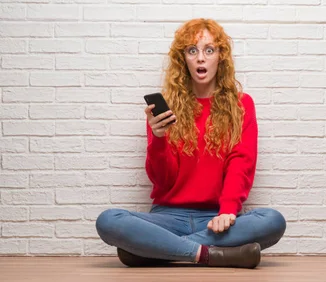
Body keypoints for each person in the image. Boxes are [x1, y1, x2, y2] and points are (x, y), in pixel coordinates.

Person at [95, 19, 286, 269]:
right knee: (109, 220)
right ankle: (210, 255)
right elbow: (162, 181)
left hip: (218, 218)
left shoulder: (242, 105)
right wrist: (159, 140)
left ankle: (158, 249)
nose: (201, 58)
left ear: (221, 57)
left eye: (209, 50)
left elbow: (242, 162)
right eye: (192, 50)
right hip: (167, 216)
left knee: (272, 220)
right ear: (183, 59)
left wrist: (228, 209)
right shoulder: (164, 109)